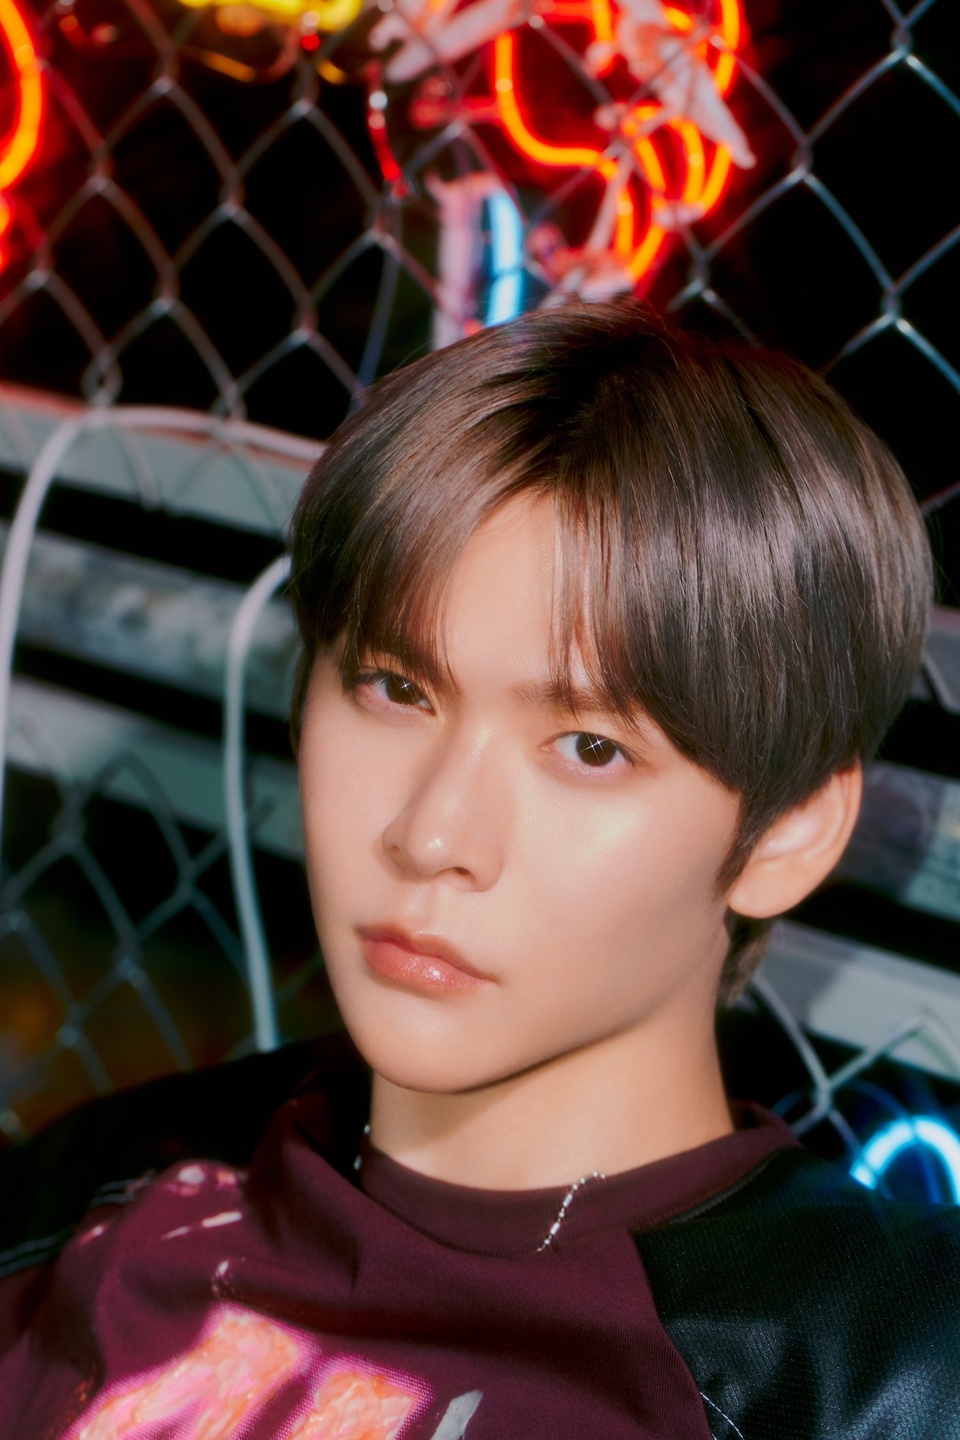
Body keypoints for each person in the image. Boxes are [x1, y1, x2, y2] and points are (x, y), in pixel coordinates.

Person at [0, 299, 957, 1439]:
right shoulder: (102, 1192)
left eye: (590, 748)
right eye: (397, 688)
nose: (433, 834)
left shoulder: (876, 1382)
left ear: (787, 831)